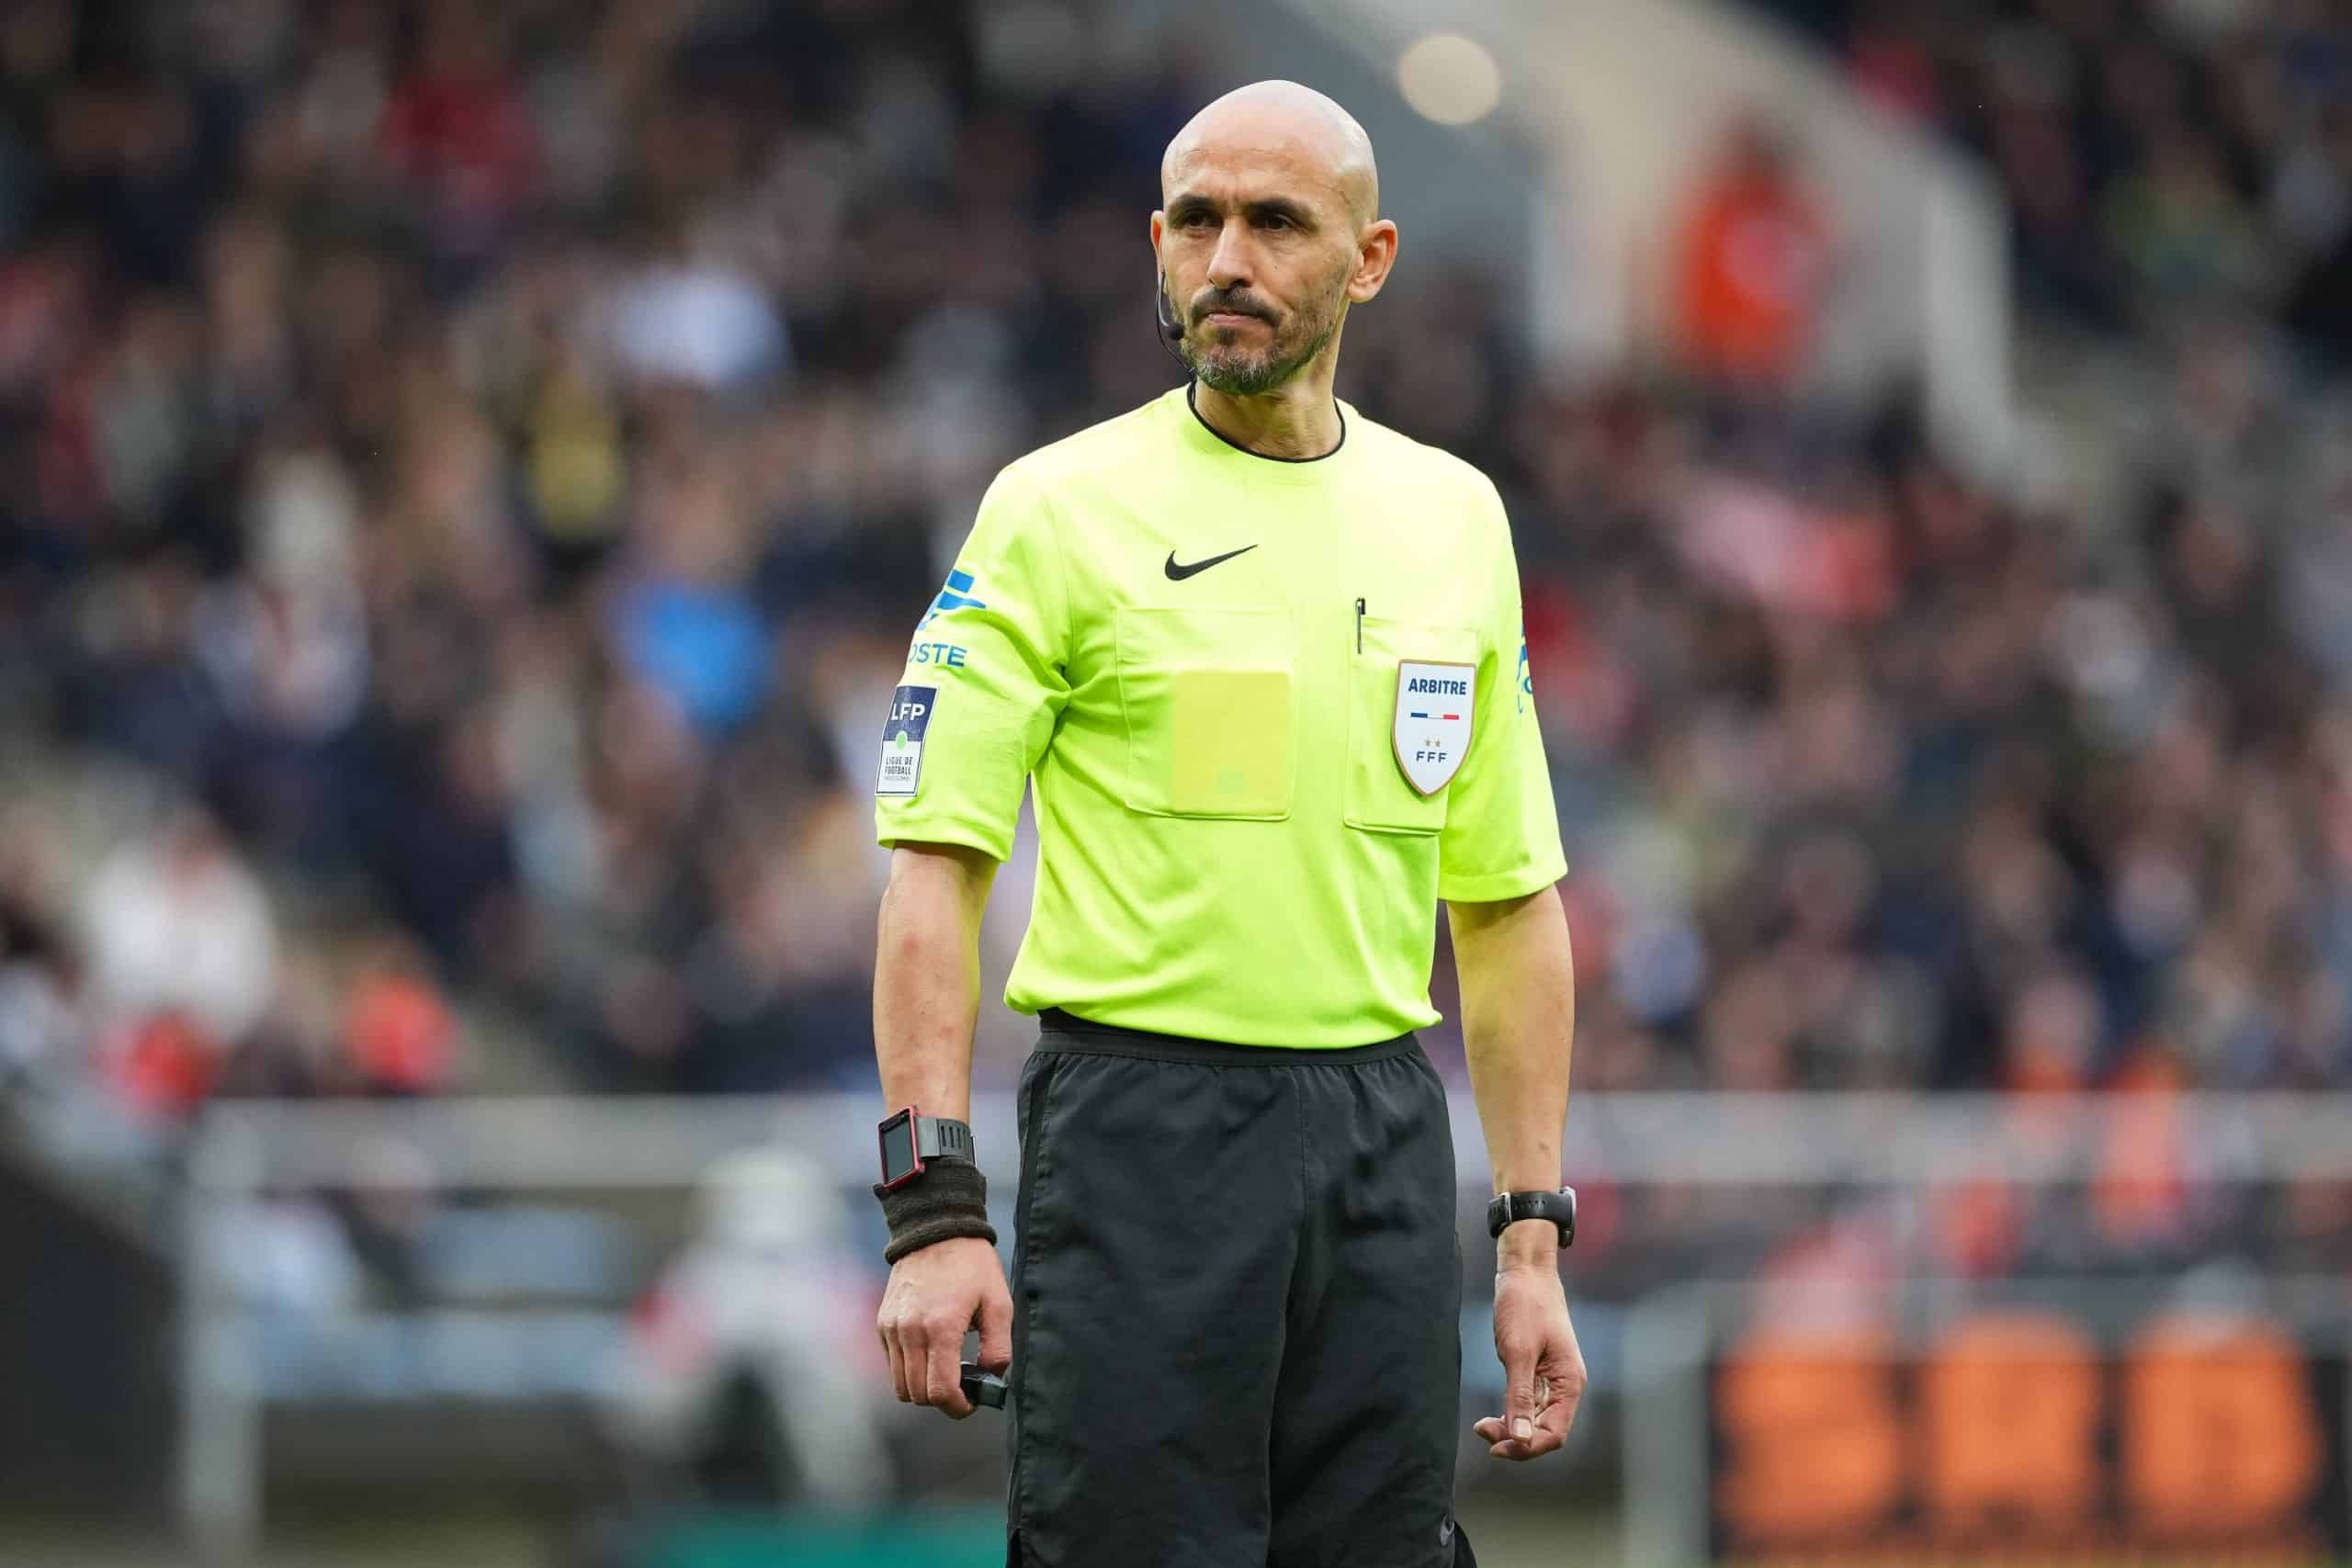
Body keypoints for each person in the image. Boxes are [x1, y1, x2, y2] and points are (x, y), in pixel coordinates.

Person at [868, 80, 1582, 1566]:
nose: (1227, 261)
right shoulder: (1055, 510)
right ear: (1157, 242)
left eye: (1274, 222)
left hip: (1384, 1139)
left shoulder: (1455, 518)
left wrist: (1528, 1240)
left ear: (1370, 259)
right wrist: (933, 1210)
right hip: (1142, 1136)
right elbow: (936, 866)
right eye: (1195, 221)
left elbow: (1508, 905)